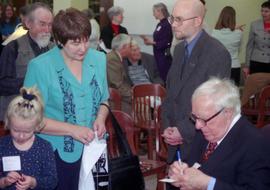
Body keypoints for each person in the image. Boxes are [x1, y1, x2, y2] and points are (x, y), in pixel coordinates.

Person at [24, 8, 109, 189]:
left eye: (86, 40)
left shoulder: (99, 59)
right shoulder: (39, 67)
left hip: (94, 150)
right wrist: (72, 130)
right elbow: (28, 119)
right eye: (75, 43)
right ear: (59, 41)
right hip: (55, 152)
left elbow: (104, 100)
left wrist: (101, 118)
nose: (83, 48)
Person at [161, 0, 231, 174]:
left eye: (179, 19)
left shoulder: (217, 53)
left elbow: (216, 107)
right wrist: (168, 128)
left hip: (198, 144)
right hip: (174, 144)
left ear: (197, 21)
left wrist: (182, 131)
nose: (174, 25)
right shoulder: (178, 50)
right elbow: (171, 95)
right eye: (172, 18)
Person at [168, 77, 270, 190]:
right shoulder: (206, 129)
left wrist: (208, 184)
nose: (197, 125)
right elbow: (193, 165)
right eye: (195, 117)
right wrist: (179, 171)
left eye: (203, 119)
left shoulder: (255, 143)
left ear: (228, 113)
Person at [0, 2, 54, 121]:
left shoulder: (55, 49)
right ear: (28, 23)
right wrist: (33, 80)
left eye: (50, 25)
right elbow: (2, 84)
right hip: (18, 116)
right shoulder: (13, 48)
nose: (47, 30)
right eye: (42, 24)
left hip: (48, 117)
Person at [0, 87, 57, 189]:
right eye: (16, 130)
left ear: (37, 126)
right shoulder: (2, 145)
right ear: (8, 123)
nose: (21, 136)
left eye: (27, 132)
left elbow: (52, 182)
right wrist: (4, 181)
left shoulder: (44, 147)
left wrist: (33, 182)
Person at [212, 6, 243, 86]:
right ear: (233, 18)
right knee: (233, 95)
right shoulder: (239, 33)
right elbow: (239, 49)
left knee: (218, 95)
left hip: (218, 66)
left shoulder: (214, 33)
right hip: (234, 66)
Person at [142, 3, 173, 82]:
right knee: (159, 76)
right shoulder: (160, 24)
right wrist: (150, 42)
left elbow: (167, 42)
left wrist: (152, 42)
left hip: (164, 57)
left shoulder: (167, 24)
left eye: (154, 11)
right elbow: (159, 40)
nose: (153, 14)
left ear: (159, 11)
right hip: (158, 55)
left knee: (164, 77)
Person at [106, 33, 132, 113]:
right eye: (130, 46)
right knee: (140, 109)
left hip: (118, 96)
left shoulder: (116, 57)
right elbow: (117, 85)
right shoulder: (112, 59)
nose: (131, 48)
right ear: (124, 47)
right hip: (112, 100)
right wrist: (135, 96)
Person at [245, 1, 270, 75]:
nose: (263, 13)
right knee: (255, 85)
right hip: (256, 62)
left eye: (266, 11)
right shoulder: (254, 24)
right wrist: (247, 65)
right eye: (262, 11)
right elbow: (249, 46)